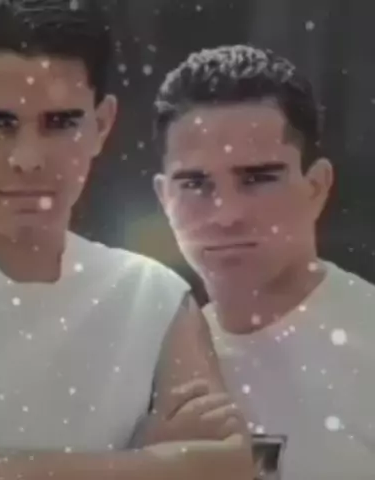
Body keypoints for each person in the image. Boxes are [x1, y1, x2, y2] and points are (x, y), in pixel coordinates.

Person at [0, 3, 254, 480]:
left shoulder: (153, 297)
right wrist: (156, 465)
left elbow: (228, 468)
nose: (27, 159)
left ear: (101, 125)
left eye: (60, 122)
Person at [152, 43, 375, 479]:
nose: (227, 215)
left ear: (316, 187)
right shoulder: (148, 366)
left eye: (258, 179)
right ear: (164, 198)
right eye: (195, 183)